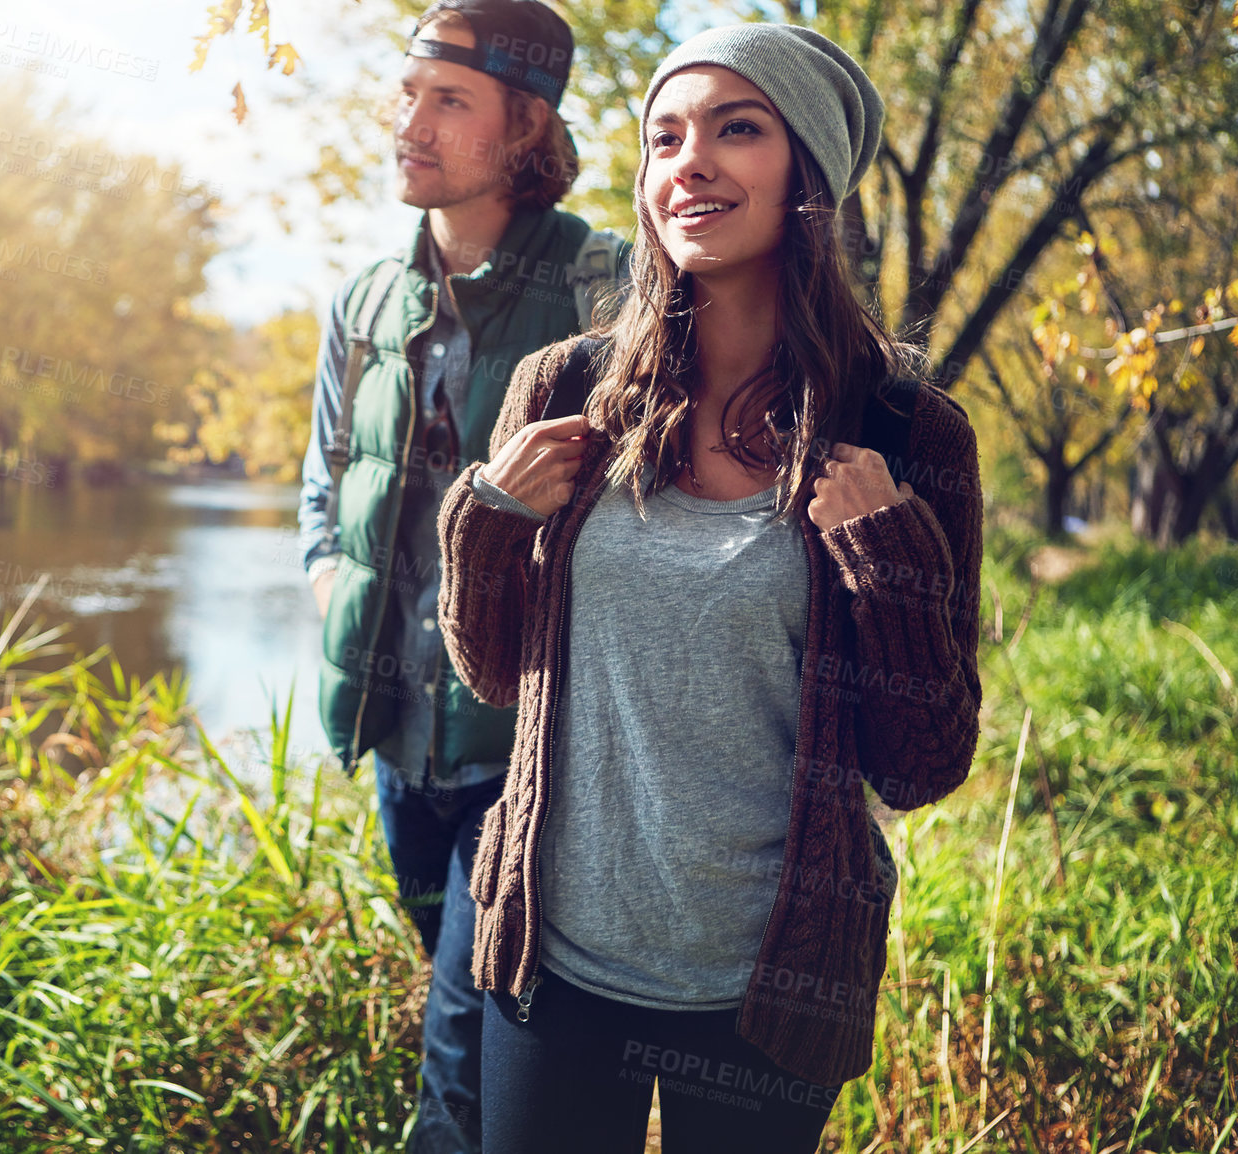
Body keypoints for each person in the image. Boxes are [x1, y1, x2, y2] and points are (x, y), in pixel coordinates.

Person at [436, 22, 984, 1153]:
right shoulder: (568, 389)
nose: (690, 160)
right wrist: (490, 515)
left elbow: (921, 761)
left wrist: (887, 557)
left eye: (739, 128)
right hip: (553, 959)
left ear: (809, 178)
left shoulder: (904, 431)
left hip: (767, 986)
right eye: (664, 136)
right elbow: (493, 671)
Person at [295, 1, 628, 1149]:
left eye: (446, 100)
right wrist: (331, 599)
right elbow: (322, 492)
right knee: (482, 1032)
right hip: (397, 745)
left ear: (524, 126)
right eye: (405, 94)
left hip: (519, 753)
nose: (408, 122)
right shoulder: (365, 302)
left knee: (459, 1051)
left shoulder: (602, 285)